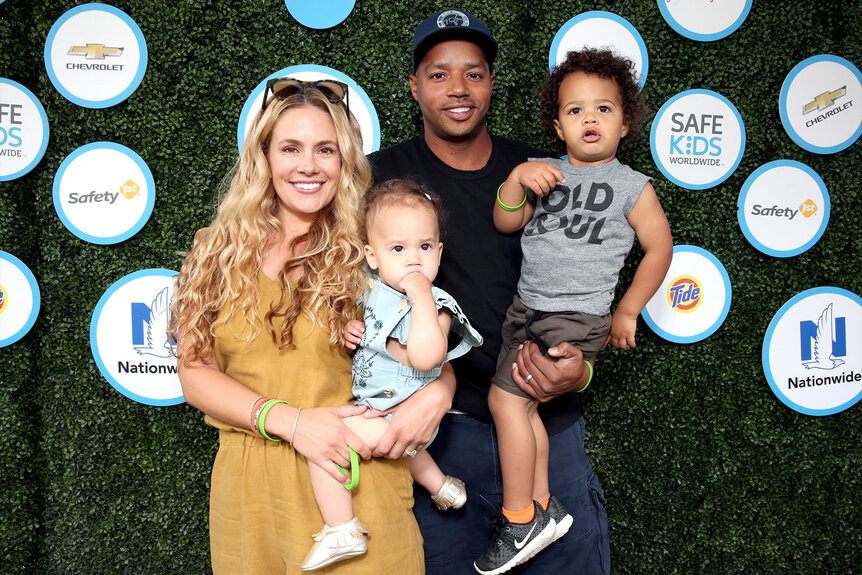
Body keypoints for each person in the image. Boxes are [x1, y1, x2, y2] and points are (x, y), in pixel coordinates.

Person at [368, 8, 610, 574]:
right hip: (441, 441)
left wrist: (583, 371)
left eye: (474, 73)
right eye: (438, 73)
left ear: (492, 83)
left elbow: (590, 292)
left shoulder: (544, 173)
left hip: (546, 425)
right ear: (413, 86)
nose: (458, 88)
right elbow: (343, 296)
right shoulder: (377, 178)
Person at [171, 77, 423, 574]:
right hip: (252, 494)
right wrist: (292, 421)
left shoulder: (374, 248)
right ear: (263, 157)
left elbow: (431, 341)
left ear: (345, 160)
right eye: (290, 148)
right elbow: (193, 372)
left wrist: (437, 396)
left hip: (355, 484)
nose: (308, 166)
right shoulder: (215, 248)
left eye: (325, 149)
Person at [479, 48, 674, 573]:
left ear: (625, 121)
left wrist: (627, 311)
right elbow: (505, 222)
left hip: (575, 315)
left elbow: (660, 249)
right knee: (521, 408)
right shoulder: (546, 173)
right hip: (527, 309)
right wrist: (518, 178)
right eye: (575, 110)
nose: (590, 118)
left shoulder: (634, 187)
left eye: (604, 109)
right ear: (558, 125)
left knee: (504, 405)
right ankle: (542, 509)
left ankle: (519, 519)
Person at [302, 178, 482, 570]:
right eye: (398, 249)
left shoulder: (438, 304)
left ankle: (341, 527)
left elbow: (425, 356)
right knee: (408, 453)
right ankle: (443, 486)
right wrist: (351, 328)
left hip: (404, 411)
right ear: (372, 255)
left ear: (439, 251)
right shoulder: (369, 290)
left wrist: (420, 298)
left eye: (424, 247)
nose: (413, 259)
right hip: (379, 402)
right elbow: (366, 327)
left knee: (327, 449)